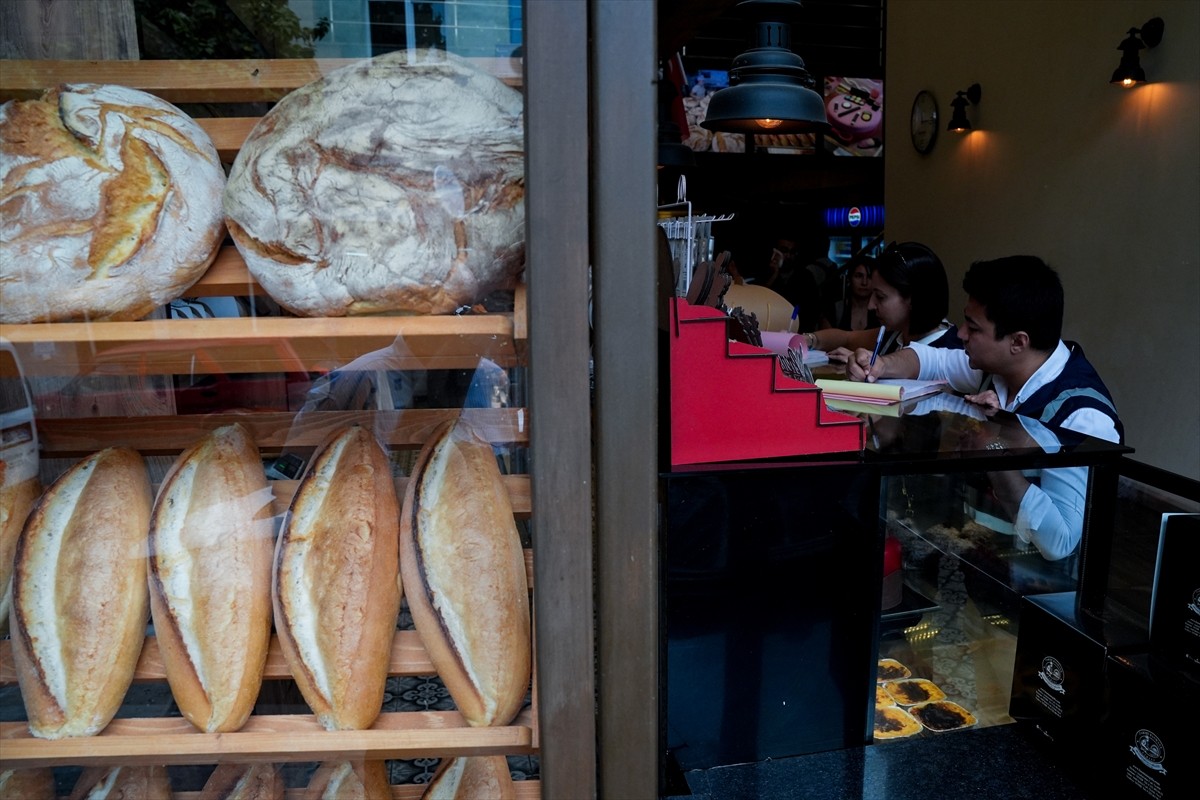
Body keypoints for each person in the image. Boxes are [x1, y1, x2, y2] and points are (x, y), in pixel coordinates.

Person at [846, 255, 1123, 562]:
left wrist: (993, 449)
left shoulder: (1082, 416)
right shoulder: (997, 366)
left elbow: (1059, 542)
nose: (961, 334)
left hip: (1031, 576)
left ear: (1018, 342)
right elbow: (932, 360)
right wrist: (881, 364)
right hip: (978, 551)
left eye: (973, 328)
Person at [800, 241, 959, 361]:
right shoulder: (896, 334)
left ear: (913, 298)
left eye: (880, 297)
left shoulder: (949, 351)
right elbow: (847, 338)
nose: (871, 305)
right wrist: (808, 339)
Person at [833, 256, 878, 332]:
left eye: (869, 277)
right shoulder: (835, 310)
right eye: (859, 276)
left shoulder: (881, 312)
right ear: (849, 279)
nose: (864, 282)